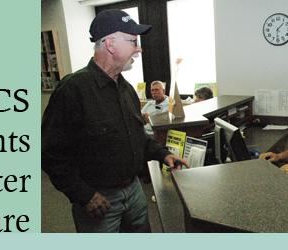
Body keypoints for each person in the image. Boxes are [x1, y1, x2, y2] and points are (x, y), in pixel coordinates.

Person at [41, 9, 190, 233]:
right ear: (110, 43)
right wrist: (83, 195)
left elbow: (137, 137)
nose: (139, 49)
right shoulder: (73, 89)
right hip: (99, 198)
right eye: (133, 41)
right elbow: (50, 153)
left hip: (134, 191)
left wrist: (163, 154)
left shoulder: (126, 88)